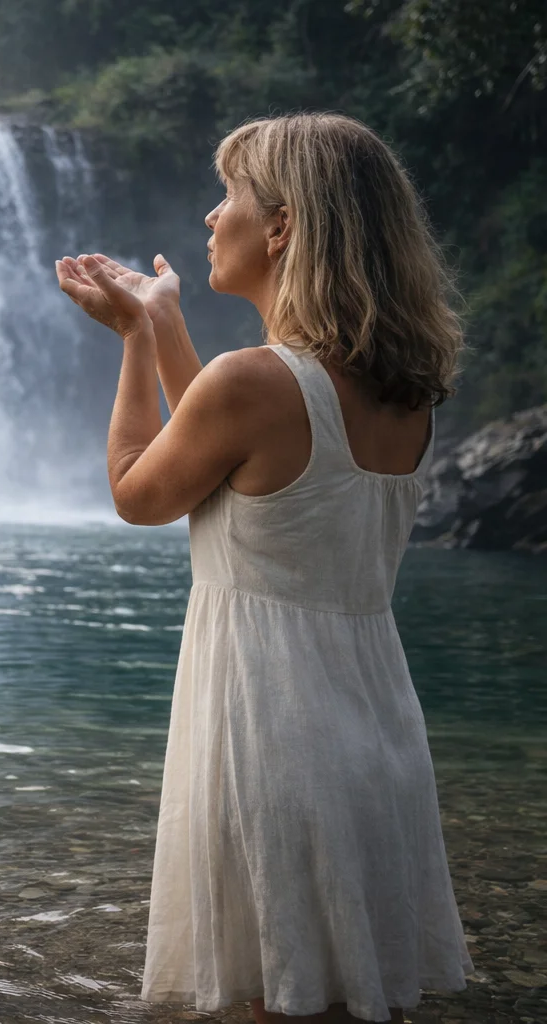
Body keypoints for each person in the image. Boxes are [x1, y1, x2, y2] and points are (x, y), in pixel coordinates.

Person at [55, 112, 473, 1024]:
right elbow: (232, 463)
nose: (211, 216)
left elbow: (141, 490)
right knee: (358, 1003)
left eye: (229, 195)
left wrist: (133, 340)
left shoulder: (253, 384)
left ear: (282, 225)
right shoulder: (402, 398)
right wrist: (166, 322)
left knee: (273, 1002)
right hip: (377, 741)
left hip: (270, 742)